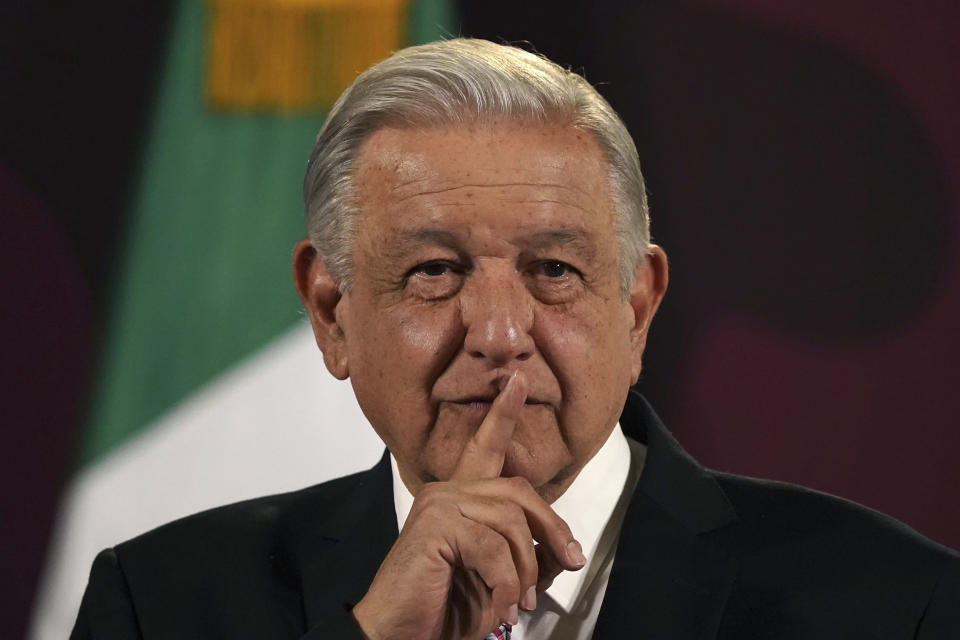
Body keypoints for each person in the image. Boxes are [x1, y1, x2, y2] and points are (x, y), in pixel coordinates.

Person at [71, 38, 959, 639]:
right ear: (333, 312)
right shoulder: (163, 603)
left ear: (638, 306)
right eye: (434, 271)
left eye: (553, 271)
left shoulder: (895, 605)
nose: (500, 334)